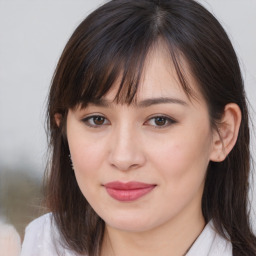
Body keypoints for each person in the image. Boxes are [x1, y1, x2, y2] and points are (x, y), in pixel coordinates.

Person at [20, 0, 256, 255]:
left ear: (222, 133)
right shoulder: (34, 246)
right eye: (97, 119)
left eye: (159, 120)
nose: (123, 157)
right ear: (63, 128)